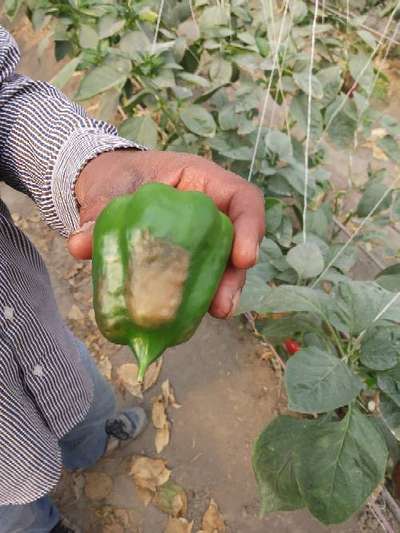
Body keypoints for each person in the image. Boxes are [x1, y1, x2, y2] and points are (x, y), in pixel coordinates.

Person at [0, 24, 264, 533]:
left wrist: (92, 167)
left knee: (84, 403)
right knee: (17, 512)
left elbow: (3, 98)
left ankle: (98, 440)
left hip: (31, 326)